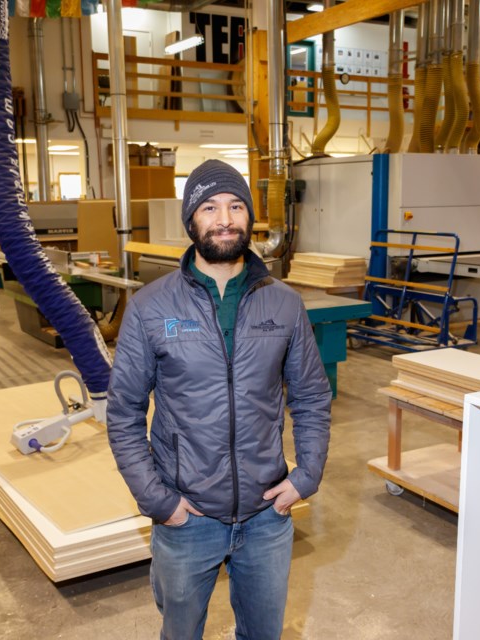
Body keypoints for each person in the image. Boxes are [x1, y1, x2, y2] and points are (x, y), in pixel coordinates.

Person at [107, 159, 332, 640]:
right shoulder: (151, 306)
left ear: (251, 217)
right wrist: (158, 500)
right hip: (187, 516)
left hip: (266, 513)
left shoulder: (284, 303)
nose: (224, 218)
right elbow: (124, 411)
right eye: (209, 207)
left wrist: (307, 475)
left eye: (235, 206)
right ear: (191, 221)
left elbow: (311, 396)